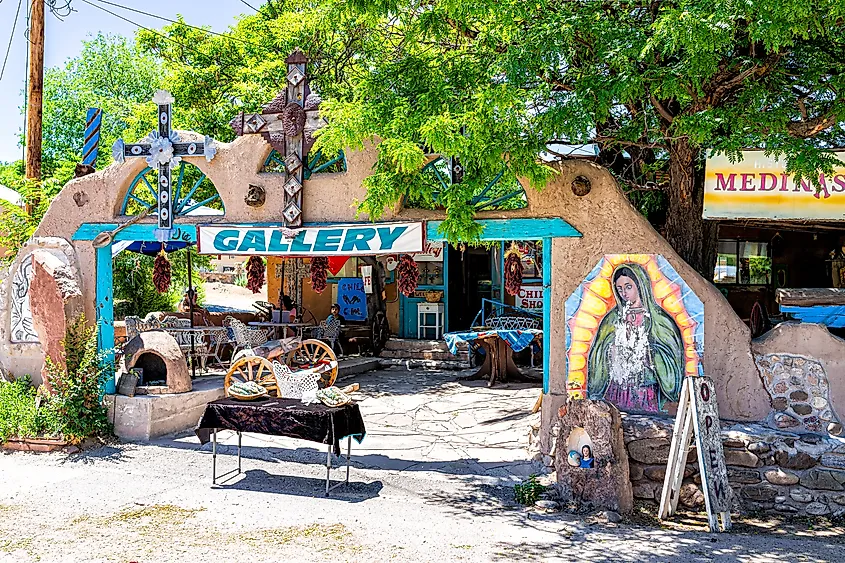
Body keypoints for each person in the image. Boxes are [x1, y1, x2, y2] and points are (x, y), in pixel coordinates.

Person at [587, 263, 684, 413]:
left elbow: (672, 356)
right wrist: (609, 352)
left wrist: (650, 354)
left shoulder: (659, 320)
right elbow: (598, 352)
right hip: (617, 387)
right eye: (619, 289)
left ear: (641, 285)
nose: (624, 293)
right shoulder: (613, 319)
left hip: (645, 390)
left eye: (628, 287)